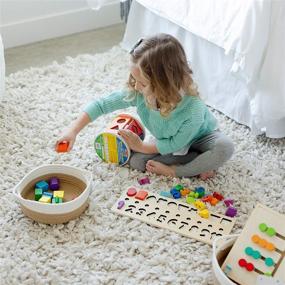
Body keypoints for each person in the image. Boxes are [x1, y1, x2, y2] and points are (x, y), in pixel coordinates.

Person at [55, 33, 234, 179]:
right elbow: (102, 104)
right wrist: (73, 131)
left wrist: (142, 146)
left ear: (164, 83)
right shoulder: (139, 93)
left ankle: (177, 170)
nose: (135, 86)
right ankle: (197, 162)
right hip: (169, 144)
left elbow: (176, 142)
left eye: (142, 82)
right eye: (133, 79)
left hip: (202, 137)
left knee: (225, 147)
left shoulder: (192, 108)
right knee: (137, 162)